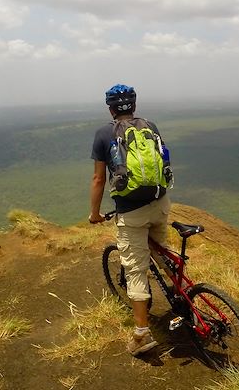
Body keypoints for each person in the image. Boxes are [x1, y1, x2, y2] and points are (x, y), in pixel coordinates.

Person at [88, 84, 171, 356]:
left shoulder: (104, 133)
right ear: (133, 105)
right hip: (160, 202)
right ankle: (185, 301)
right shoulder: (151, 126)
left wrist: (95, 214)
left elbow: (99, 178)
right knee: (163, 255)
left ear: (111, 108)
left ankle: (141, 335)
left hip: (131, 211)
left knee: (135, 269)